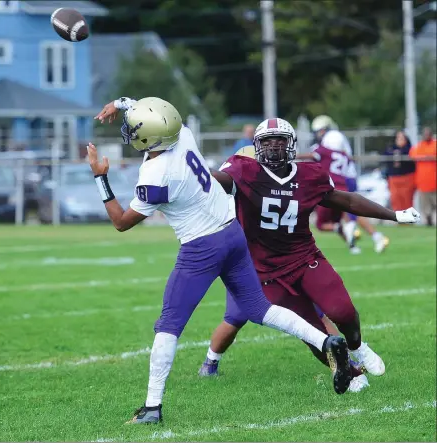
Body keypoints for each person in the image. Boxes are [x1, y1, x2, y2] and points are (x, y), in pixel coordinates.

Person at [89, 97, 353, 424]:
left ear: (149, 137)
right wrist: (122, 103)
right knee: (260, 309)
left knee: (169, 323)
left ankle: (152, 408)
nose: (129, 130)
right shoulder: (182, 135)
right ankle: (327, 340)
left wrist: (100, 177)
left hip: (201, 247)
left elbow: (121, 221)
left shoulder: (155, 172)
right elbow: (157, 114)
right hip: (232, 234)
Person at [197, 117, 420, 392]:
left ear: (291, 145)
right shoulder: (243, 171)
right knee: (314, 334)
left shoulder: (309, 175)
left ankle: (359, 347)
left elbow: (347, 199)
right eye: (267, 141)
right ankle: (349, 372)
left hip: (304, 258)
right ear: (256, 146)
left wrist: (394, 215)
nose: (273, 147)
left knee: (343, 311)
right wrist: (190, 171)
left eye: (279, 140)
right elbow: (211, 181)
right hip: (266, 273)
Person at [299, 116, 388, 254]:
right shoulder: (331, 141)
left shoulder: (332, 138)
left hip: (341, 178)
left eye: (320, 131)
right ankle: (354, 241)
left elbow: (325, 157)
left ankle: (367, 234)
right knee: (344, 214)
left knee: (350, 212)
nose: (318, 134)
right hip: (343, 177)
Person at [409, 127, 437, 226]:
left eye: (428, 134)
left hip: (435, 181)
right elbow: (412, 154)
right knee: (426, 205)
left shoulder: (435, 144)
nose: (427, 136)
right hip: (423, 182)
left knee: (434, 203)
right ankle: (428, 220)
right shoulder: (420, 146)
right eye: (425, 134)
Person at [383, 130, 416, 212]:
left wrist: (399, 153)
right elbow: (385, 156)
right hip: (394, 178)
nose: (400, 140)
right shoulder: (390, 149)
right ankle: (399, 220)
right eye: (398, 138)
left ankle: (409, 221)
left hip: (407, 177)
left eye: (402, 138)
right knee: (395, 199)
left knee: (407, 200)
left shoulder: (410, 149)